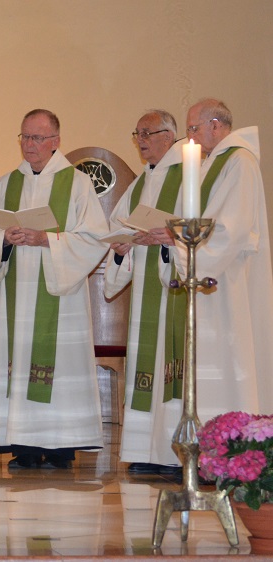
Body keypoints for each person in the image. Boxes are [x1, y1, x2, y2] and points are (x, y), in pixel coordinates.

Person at [0, 109, 109, 469]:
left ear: (56, 142)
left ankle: (61, 446)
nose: (29, 145)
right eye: (25, 137)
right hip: (16, 288)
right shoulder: (6, 184)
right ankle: (24, 446)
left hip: (57, 291)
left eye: (37, 138)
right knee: (19, 362)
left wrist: (48, 239)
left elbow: (95, 237)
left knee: (57, 367)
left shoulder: (77, 184)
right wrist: (4, 237)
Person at [174, 99, 273, 423]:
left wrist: (188, 256)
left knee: (230, 360)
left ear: (216, 125)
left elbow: (232, 227)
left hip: (228, 280)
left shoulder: (239, 160)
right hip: (211, 276)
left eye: (193, 128)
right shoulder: (210, 163)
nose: (190, 137)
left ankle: (231, 446)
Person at [103, 110, 183, 476]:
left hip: (176, 291)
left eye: (147, 133)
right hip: (146, 290)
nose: (141, 140)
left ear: (169, 135)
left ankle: (173, 453)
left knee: (172, 368)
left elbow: (198, 233)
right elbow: (121, 227)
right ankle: (146, 451)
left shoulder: (188, 178)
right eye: (137, 133)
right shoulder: (139, 185)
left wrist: (170, 241)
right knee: (145, 369)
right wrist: (122, 249)